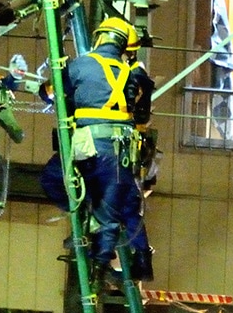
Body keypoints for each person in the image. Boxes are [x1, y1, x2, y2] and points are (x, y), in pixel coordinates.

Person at [37, 17, 157, 280]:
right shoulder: (133, 73)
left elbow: (48, 93)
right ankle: (124, 262)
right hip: (123, 150)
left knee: (56, 178)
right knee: (119, 206)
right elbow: (143, 113)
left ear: (100, 37)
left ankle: (96, 254)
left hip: (90, 145)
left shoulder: (81, 65)